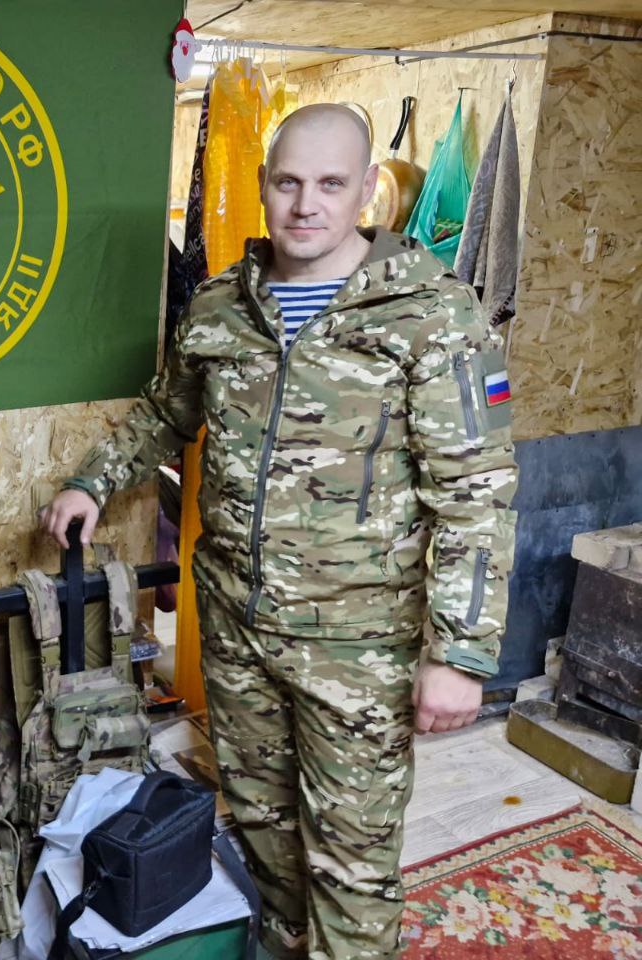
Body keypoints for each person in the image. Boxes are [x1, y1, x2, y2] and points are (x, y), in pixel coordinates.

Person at [42, 104, 517, 959]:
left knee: (352, 862)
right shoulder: (223, 304)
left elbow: (475, 493)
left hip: (359, 648)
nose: (306, 204)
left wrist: (459, 655)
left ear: (367, 190)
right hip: (236, 631)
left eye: (331, 184)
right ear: (262, 185)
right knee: (263, 831)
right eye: (289, 182)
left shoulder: (433, 313)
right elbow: (166, 412)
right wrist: (92, 481)